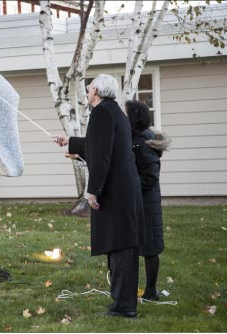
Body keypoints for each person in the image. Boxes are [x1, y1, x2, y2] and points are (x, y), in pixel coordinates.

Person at [54, 74, 144, 318]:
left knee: (121, 246)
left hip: (116, 190)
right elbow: (99, 143)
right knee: (120, 245)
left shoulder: (101, 113)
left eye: (88, 87)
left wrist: (92, 190)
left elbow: (102, 154)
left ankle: (124, 307)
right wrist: (70, 142)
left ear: (96, 90)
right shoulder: (114, 111)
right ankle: (121, 303)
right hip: (124, 188)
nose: (87, 91)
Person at [125, 100, 170, 301]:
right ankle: (132, 288)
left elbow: (151, 175)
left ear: (134, 117)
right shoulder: (136, 137)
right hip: (139, 199)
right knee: (136, 245)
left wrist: (133, 189)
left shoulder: (143, 141)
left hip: (146, 201)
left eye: (127, 114)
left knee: (150, 247)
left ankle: (151, 292)